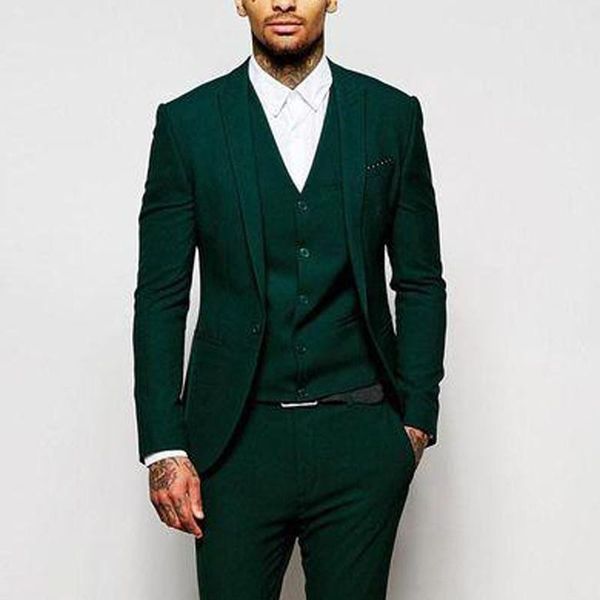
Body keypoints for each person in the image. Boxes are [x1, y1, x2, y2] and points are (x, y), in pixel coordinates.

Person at [132, 1, 447, 597]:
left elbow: (420, 280)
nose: (282, 2)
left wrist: (414, 421)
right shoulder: (188, 124)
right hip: (234, 445)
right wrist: (164, 446)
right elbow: (160, 296)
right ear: (240, 1)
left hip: (360, 436)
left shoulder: (390, 116)